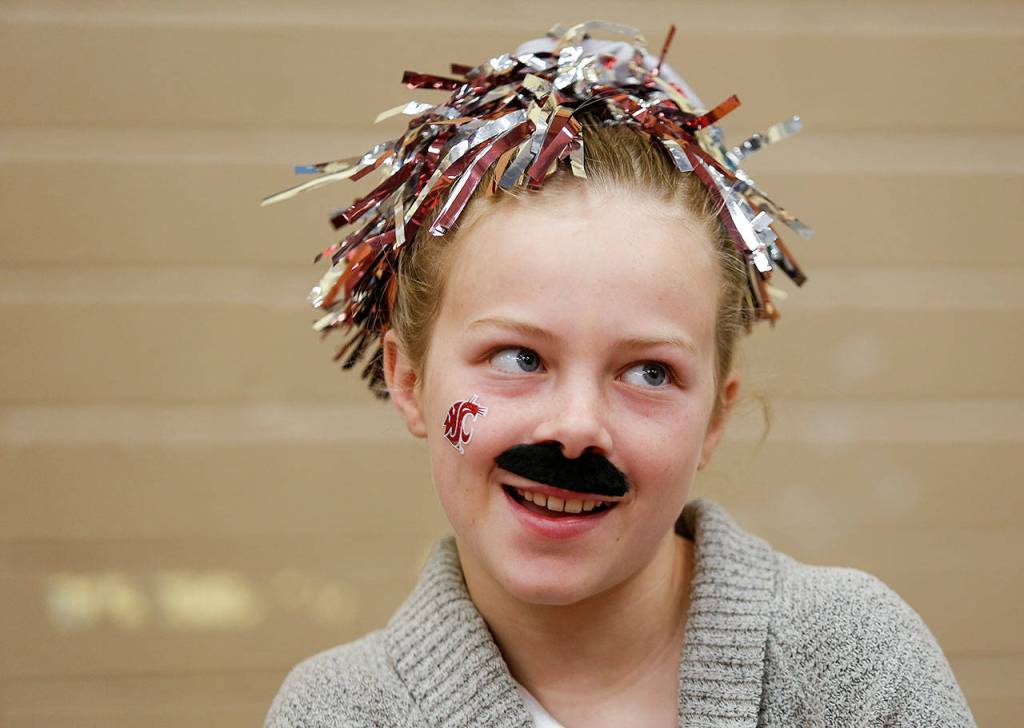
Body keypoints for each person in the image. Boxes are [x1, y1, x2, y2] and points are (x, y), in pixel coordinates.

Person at [263, 21, 975, 728]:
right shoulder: (334, 711)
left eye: (649, 373)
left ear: (715, 421)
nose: (575, 430)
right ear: (410, 381)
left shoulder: (853, 666)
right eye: (519, 358)